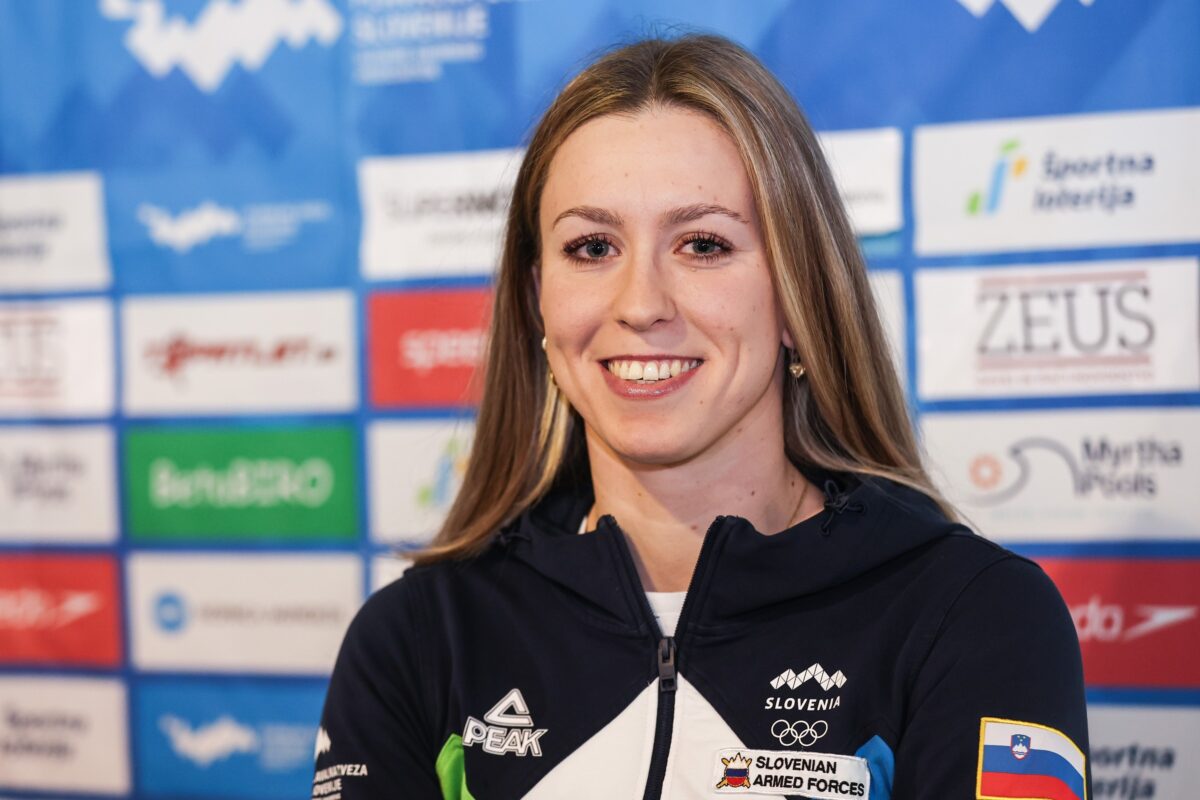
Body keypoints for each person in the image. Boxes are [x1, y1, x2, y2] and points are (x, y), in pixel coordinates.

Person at [313, 34, 1090, 800]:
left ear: (798, 294)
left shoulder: (976, 615)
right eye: (592, 248)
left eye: (704, 244)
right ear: (536, 298)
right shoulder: (418, 638)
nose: (641, 304)